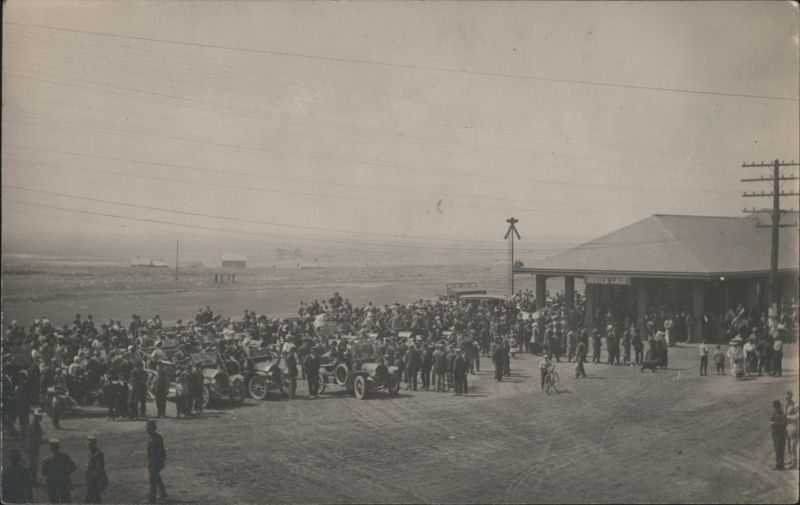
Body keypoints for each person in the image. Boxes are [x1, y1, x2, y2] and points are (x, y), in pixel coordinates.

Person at [41, 438, 76, 503]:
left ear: (51, 447)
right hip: (64, 482)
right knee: (66, 501)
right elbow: (73, 467)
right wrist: (66, 473)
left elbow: (43, 473)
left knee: (53, 501)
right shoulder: (65, 457)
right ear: (58, 447)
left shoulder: (46, 459)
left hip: (52, 484)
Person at [146, 420, 168, 503]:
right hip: (159, 461)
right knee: (157, 477)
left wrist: (151, 464)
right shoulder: (157, 437)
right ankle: (163, 493)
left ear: (152, 429)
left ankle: (151, 498)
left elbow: (154, 454)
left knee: (152, 480)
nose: (147, 430)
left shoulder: (153, 440)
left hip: (154, 462)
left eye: (148, 428)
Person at [85, 435, 108, 503]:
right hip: (91, 480)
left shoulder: (98, 454)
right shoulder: (90, 453)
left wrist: (92, 479)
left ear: (94, 444)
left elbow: (99, 469)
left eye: (90, 444)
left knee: (88, 500)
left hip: (97, 481)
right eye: (88, 444)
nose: (88, 446)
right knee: (96, 499)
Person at [28, 408, 45, 486]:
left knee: (34, 464)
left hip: (33, 446)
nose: (41, 417)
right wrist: (42, 441)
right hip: (33, 447)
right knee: (33, 464)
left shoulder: (35, 423)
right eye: (40, 416)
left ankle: (32, 479)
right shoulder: (34, 424)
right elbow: (34, 437)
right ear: (36, 416)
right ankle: (32, 481)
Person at [770, 400, 787, 470]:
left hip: (781, 435)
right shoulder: (774, 413)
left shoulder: (782, 414)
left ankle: (780, 465)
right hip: (775, 435)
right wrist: (771, 423)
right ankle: (778, 464)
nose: (775, 408)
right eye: (774, 407)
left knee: (780, 450)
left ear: (778, 407)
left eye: (776, 407)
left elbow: (783, 424)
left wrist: (774, 423)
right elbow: (771, 420)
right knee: (776, 449)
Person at [785, 391, 798, 469]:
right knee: (789, 444)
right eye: (785, 397)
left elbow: (797, 416)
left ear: (791, 396)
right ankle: (791, 459)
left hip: (794, 426)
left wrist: (788, 417)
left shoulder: (795, 405)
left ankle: (794, 463)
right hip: (788, 426)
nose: (786, 398)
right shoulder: (786, 405)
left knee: (793, 446)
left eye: (787, 397)